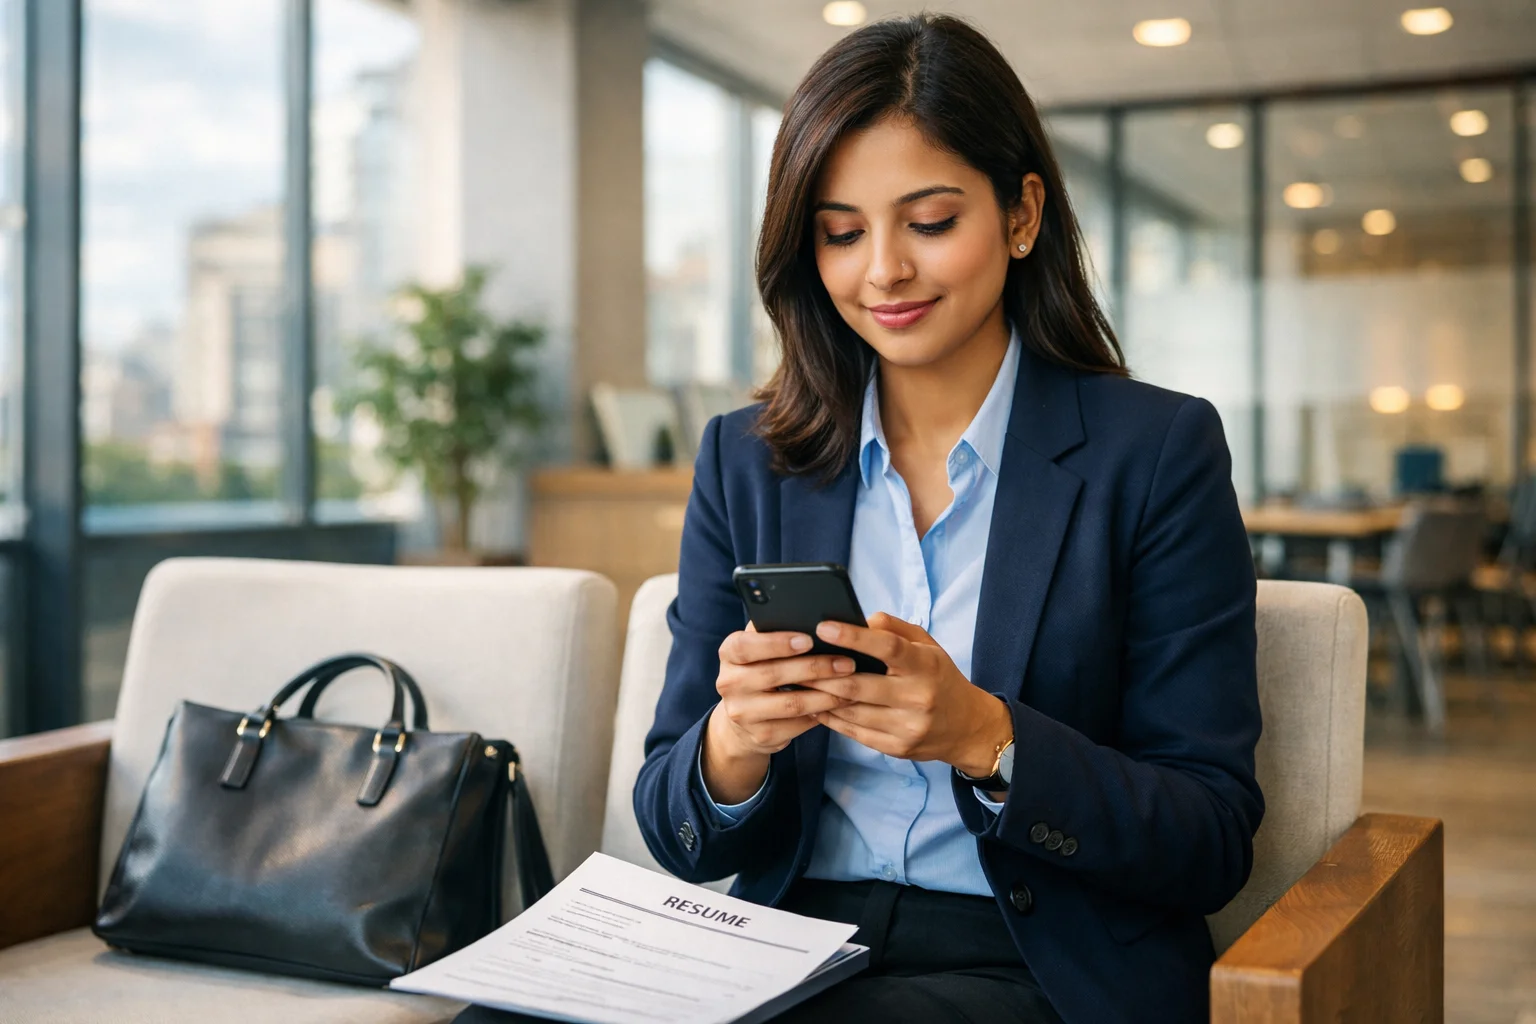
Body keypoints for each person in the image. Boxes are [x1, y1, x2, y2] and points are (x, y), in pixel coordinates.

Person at [632, 14, 1264, 1024]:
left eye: (928, 222)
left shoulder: (1156, 454)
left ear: (1021, 216)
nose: (882, 270)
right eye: (841, 232)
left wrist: (989, 736)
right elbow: (678, 827)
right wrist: (734, 741)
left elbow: (1211, 834)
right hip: (787, 945)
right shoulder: (745, 460)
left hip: (1030, 956)